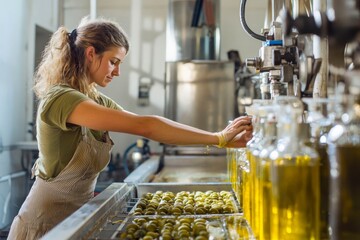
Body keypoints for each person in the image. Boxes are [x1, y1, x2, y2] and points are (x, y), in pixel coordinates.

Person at [7, 16, 252, 239]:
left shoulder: (95, 100)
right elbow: (145, 127)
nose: (117, 71)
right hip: (42, 227)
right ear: (91, 53)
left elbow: (150, 123)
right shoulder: (61, 99)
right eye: (113, 62)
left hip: (76, 223)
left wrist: (220, 139)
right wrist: (218, 138)